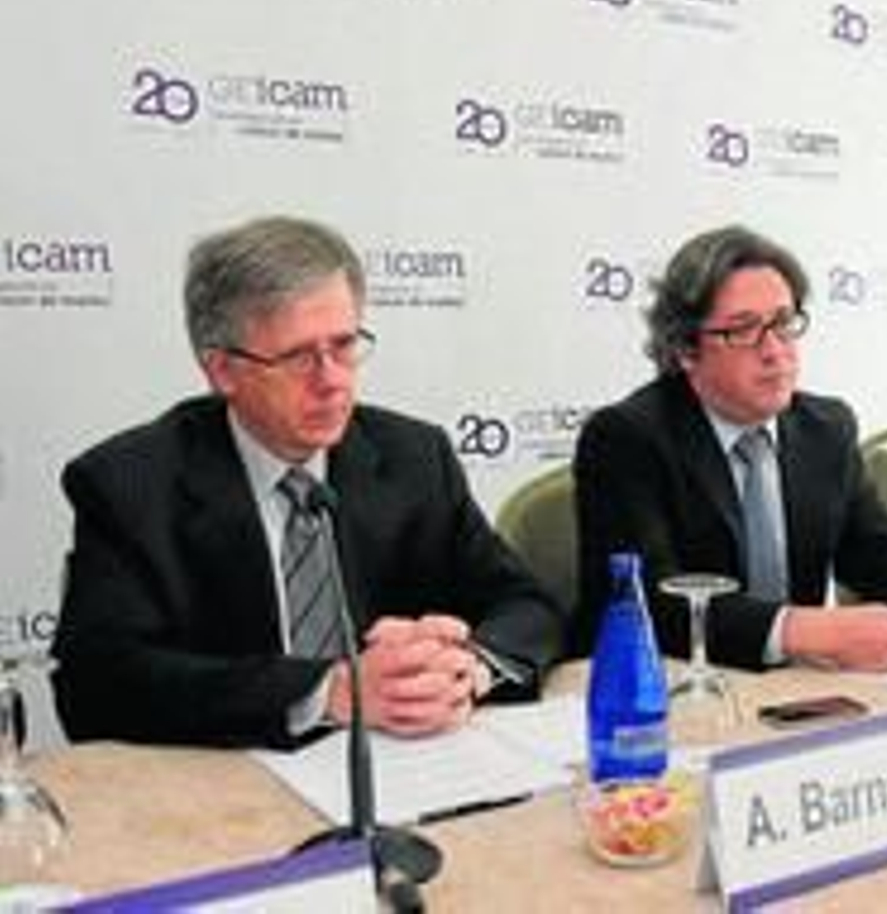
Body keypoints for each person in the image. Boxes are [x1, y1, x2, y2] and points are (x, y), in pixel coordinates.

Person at [52, 217, 564, 749]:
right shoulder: (131, 484)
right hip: (231, 793)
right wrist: (328, 691)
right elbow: (98, 686)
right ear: (222, 370)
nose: (332, 380)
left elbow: (528, 604)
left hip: (406, 770)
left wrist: (465, 668)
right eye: (298, 357)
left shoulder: (414, 458)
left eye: (344, 345)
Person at [573, 225, 887, 673]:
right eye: (744, 330)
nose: (775, 351)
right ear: (686, 349)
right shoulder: (627, 438)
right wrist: (801, 630)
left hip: (798, 690)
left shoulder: (826, 428)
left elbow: (874, 549)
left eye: (784, 324)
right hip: (672, 684)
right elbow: (652, 605)